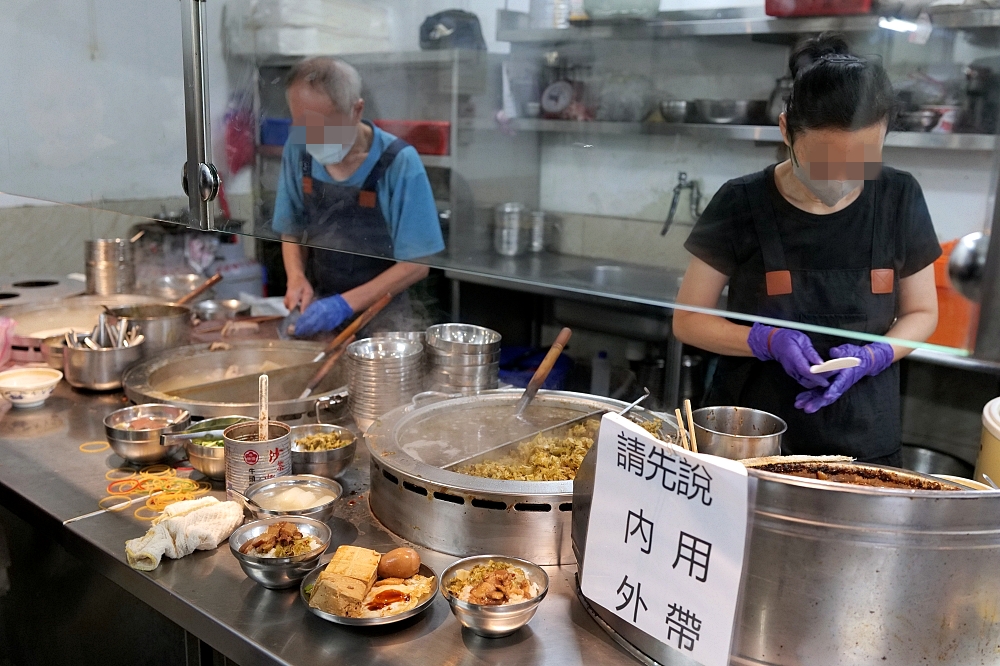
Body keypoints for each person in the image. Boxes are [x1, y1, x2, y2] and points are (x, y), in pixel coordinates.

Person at [672, 34, 941, 466]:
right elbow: (688, 321)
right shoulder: (741, 202)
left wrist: (876, 355)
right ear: (786, 131)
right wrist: (765, 340)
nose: (841, 177)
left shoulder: (899, 197)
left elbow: (922, 312)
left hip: (865, 441)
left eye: (862, 160)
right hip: (750, 439)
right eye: (824, 161)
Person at [272, 57, 445, 337]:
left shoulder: (398, 163)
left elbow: (417, 264)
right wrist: (296, 278)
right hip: (319, 308)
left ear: (356, 110)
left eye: (323, 125)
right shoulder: (298, 150)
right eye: (302, 126)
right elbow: (290, 227)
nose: (311, 137)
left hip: (385, 321)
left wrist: (343, 305)